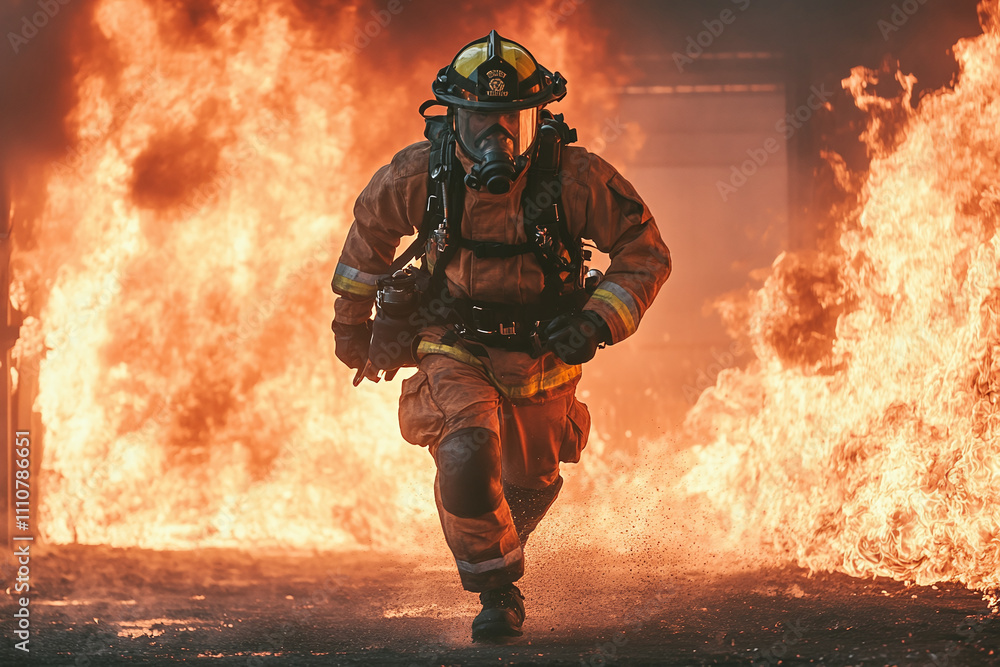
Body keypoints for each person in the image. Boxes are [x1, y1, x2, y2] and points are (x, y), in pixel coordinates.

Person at [331, 30, 671, 641]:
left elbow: (645, 253)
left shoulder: (574, 178)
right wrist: (351, 325)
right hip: (453, 342)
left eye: (514, 118)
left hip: (543, 353)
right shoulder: (420, 174)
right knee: (467, 457)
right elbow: (368, 240)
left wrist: (595, 321)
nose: (498, 136)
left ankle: (500, 545)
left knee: (527, 487)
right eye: (481, 120)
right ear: (452, 119)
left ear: (539, 117)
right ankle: (498, 594)